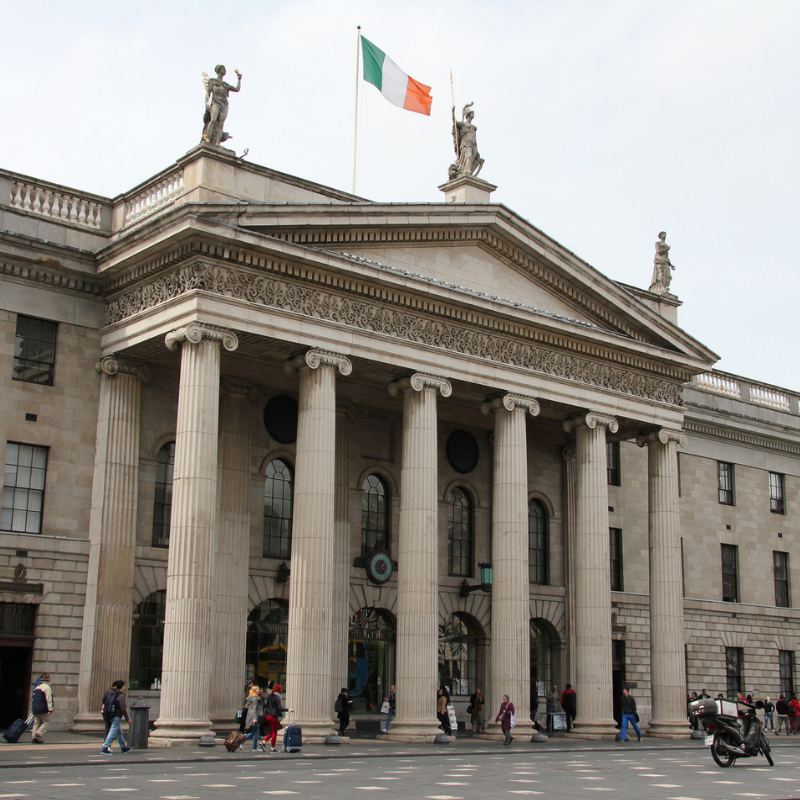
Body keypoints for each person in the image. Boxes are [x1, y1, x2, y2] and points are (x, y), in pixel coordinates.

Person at [202, 64, 242, 146]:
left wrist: (239, 80)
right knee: (213, 120)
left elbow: (237, 89)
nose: (225, 70)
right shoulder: (212, 81)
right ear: (219, 70)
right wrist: (207, 103)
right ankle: (208, 139)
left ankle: (217, 143)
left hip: (224, 104)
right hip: (215, 102)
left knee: (221, 123)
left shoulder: (225, 84)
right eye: (223, 68)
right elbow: (207, 94)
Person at [100, 680, 131, 754]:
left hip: (110, 714)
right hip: (116, 715)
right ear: (122, 687)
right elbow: (123, 708)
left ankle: (123, 747)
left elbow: (104, 701)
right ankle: (105, 748)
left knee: (119, 732)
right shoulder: (121, 695)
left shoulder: (112, 693)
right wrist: (127, 718)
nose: (124, 687)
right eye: (124, 685)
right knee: (113, 731)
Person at [262, 683, 293, 752]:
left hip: (267, 716)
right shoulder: (277, 697)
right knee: (274, 733)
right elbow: (279, 708)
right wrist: (288, 709)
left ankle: (264, 741)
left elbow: (267, 705)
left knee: (272, 731)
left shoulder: (270, 695)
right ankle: (272, 747)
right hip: (273, 716)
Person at [30, 673, 54, 744]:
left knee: (36, 723)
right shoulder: (47, 687)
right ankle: (38, 734)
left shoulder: (37, 687)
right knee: (46, 721)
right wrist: (50, 709)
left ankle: (34, 737)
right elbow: (48, 699)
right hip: (42, 707)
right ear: (48, 679)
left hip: (35, 707)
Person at [242, 685, 264, 751]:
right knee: (255, 732)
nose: (259, 690)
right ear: (254, 691)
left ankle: (254, 747)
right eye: (257, 689)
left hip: (251, 716)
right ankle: (243, 742)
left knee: (255, 731)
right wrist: (255, 718)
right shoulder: (255, 699)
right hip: (255, 716)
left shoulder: (251, 698)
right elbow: (254, 709)